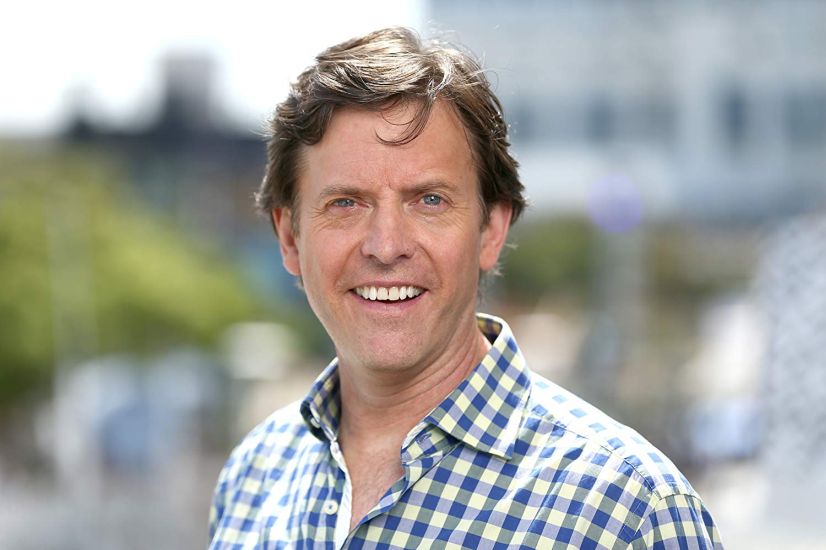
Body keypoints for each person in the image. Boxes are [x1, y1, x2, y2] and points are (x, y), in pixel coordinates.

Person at [209, 27, 722, 549]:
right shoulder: (255, 477)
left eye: (429, 200)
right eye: (346, 203)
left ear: (491, 231)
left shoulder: (629, 511)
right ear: (289, 238)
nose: (386, 246)